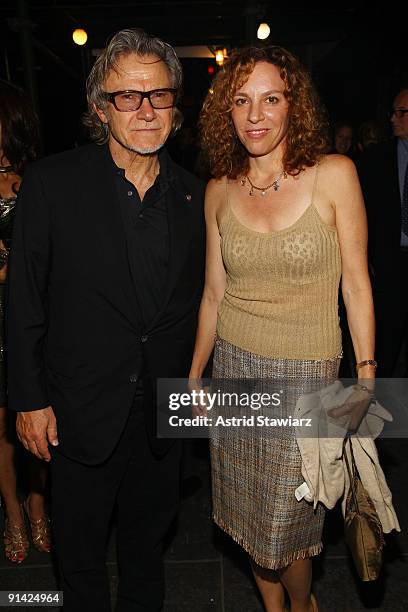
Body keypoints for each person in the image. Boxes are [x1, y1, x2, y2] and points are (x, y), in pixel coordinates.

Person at [6, 28, 205, 611]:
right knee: (80, 555)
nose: (146, 109)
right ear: (100, 107)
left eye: (159, 95)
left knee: (148, 549)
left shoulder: (198, 196)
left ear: (175, 105)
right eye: (128, 96)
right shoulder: (50, 184)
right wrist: (27, 399)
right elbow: (24, 302)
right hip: (77, 409)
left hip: (163, 414)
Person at [189, 46, 375, 612]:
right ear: (227, 112)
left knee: (289, 523)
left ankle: (304, 603)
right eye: (242, 102)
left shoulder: (334, 175)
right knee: (247, 512)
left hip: (308, 376)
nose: (255, 115)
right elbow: (213, 293)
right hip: (235, 369)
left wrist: (365, 378)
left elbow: (357, 284)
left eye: (271, 99)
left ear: (295, 106)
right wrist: (195, 374)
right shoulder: (219, 189)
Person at [0, 80, 51, 564]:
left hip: (31, 310)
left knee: (36, 416)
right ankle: (12, 517)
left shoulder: (38, 178)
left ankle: (38, 508)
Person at [357, 87, 408, 377]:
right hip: (390, 266)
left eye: (401, 113)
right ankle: (379, 405)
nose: (392, 119)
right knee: (386, 344)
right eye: (393, 111)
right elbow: (365, 213)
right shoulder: (376, 159)